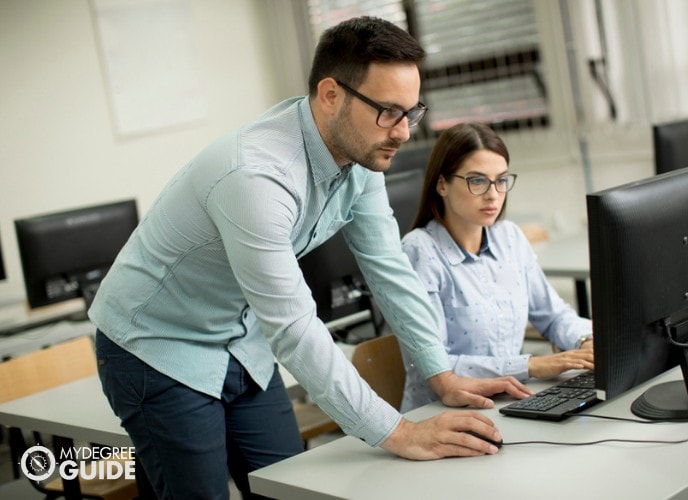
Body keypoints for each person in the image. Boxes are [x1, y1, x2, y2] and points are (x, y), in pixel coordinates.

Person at [89, 17, 532, 500]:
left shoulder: (361, 153)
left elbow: (389, 269)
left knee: (294, 487)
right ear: (330, 95)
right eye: (388, 111)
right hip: (157, 347)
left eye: (412, 111)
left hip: (241, 341)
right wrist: (398, 432)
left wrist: (440, 374)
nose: (404, 132)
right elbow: (296, 329)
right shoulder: (256, 177)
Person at [400, 122, 594, 412]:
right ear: (442, 184)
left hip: (506, 403)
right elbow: (437, 365)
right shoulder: (419, 250)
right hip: (439, 413)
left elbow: (553, 317)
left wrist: (585, 340)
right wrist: (532, 365)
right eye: (477, 181)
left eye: (501, 180)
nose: (493, 194)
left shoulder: (510, 237)